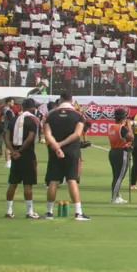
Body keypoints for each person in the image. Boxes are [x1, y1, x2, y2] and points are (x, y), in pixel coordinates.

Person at [42, 92, 90, 221]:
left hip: (54, 151)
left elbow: (47, 134)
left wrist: (57, 147)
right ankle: (78, 213)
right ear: (71, 100)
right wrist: (62, 144)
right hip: (72, 151)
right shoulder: (78, 115)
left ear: (60, 100)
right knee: (72, 180)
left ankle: (49, 212)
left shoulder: (50, 115)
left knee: (53, 180)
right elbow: (77, 134)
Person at [4, 99, 40, 218]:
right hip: (27, 154)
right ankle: (29, 212)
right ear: (32, 108)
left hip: (15, 155)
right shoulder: (33, 119)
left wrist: (13, 151)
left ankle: (9, 211)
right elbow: (30, 138)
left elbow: (7, 137)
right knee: (28, 184)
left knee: (13, 183)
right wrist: (20, 151)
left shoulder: (14, 119)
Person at [106, 107, 133, 204]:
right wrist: (129, 126)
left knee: (116, 176)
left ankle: (116, 196)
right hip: (122, 152)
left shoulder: (112, 127)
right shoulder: (122, 127)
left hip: (113, 151)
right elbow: (131, 138)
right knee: (120, 176)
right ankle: (114, 197)